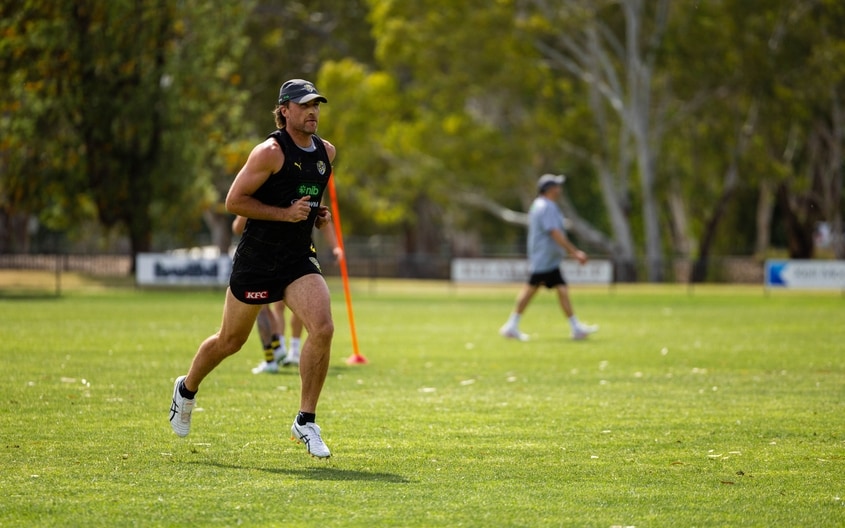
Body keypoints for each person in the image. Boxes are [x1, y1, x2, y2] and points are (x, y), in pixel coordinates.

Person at [169, 78, 336, 458]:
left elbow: (305, 198)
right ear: (284, 110)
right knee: (231, 341)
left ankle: (306, 420)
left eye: (316, 105)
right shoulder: (269, 152)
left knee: (323, 327)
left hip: (297, 258)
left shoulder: (326, 152)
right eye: (304, 105)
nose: (312, 111)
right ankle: (186, 389)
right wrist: (284, 213)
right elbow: (234, 201)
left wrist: (316, 214)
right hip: (258, 260)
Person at [231, 215, 342, 374]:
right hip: (296, 254)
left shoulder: (262, 197)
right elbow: (323, 216)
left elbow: (237, 226)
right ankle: (282, 346)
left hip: (266, 255)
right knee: (288, 305)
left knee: (263, 308)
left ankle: (274, 355)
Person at [499, 174, 598, 341]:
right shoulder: (547, 207)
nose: (559, 189)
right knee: (531, 289)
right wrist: (574, 252)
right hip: (544, 259)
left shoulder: (538, 205)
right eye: (557, 186)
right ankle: (511, 326)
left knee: (560, 289)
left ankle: (575, 328)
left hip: (547, 259)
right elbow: (554, 232)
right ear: (549, 189)